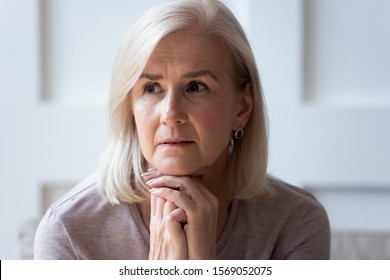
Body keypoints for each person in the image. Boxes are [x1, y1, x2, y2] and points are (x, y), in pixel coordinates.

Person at [34, 0, 330, 260]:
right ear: (130, 108)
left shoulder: (294, 222)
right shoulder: (69, 230)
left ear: (242, 108)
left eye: (196, 87)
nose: (170, 114)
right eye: (151, 88)